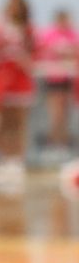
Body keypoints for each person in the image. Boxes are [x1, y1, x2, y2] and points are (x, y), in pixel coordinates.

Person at [0, 0, 37, 187]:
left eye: (17, 6)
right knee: (2, 124)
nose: (13, 9)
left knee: (18, 123)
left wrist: (22, 59)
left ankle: (17, 160)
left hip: (20, 82)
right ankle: (4, 158)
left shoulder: (28, 29)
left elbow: (33, 55)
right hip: (2, 83)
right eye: (10, 5)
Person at [38, 9, 78, 158]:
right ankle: (54, 142)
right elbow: (42, 50)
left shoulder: (73, 34)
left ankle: (63, 142)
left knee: (65, 112)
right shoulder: (49, 34)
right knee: (55, 113)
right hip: (53, 78)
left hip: (69, 78)